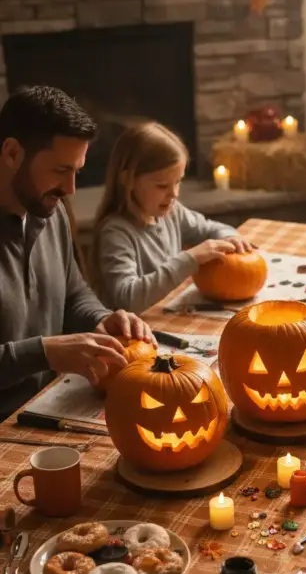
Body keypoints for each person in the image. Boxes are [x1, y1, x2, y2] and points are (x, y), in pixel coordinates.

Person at [0, 86, 153, 420]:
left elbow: (72, 294)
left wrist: (101, 318)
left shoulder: (48, 209)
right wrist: (44, 352)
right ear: (12, 153)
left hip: (48, 406)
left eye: (76, 171)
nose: (70, 189)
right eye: (60, 170)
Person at [92, 121, 254, 314]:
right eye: (162, 186)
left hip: (164, 316)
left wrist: (229, 237)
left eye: (178, 182)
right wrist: (190, 258)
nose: (174, 194)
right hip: (131, 335)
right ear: (128, 180)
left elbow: (209, 228)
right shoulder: (116, 232)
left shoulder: (172, 212)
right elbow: (128, 299)